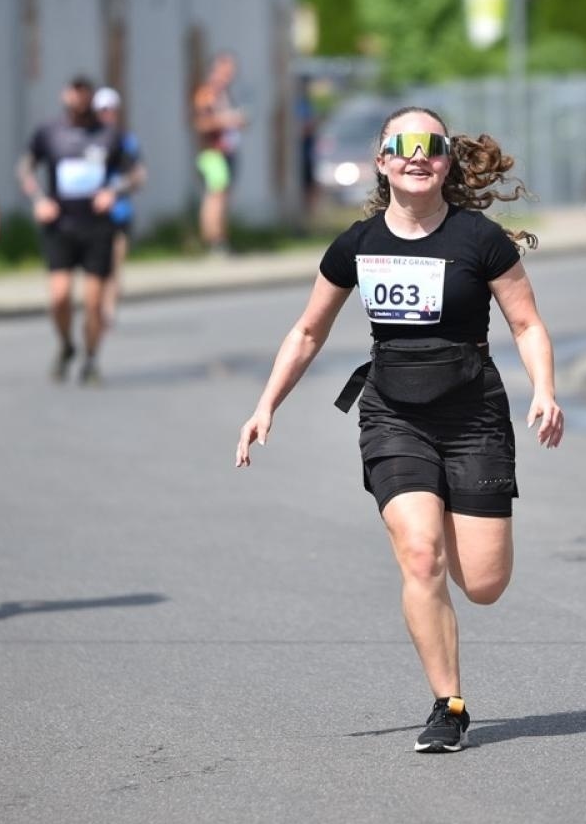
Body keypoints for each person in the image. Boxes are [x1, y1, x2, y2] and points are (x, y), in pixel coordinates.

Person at [235, 106, 564, 754]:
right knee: (420, 553)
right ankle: (449, 705)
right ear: (383, 161)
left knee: (485, 585)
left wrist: (546, 391)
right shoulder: (357, 245)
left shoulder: (480, 240)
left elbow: (527, 325)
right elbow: (307, 331)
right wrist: (265, 404)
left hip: (474, 418)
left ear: (447, 160)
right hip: (394, 414)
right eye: (402, 145)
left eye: (431, 145)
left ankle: (447, 513)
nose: (418, 155)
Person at [17, 75, 133, 385]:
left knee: (94, 302)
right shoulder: (49, 132)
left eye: (85, 96)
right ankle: (67, 345)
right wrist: (39, 199)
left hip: (97, 228)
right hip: (60, 225)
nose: (79, 102)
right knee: (59, 297)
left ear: (92, 99)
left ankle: (91, 358)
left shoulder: (109, 135)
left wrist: (114, 191)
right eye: (74, 95)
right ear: (65, 96)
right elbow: (25, 168)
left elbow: (135, 173)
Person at [92, 86, 148, 329]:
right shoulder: (87, 139)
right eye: (102, 110)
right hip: (90, 214)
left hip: (118, 211)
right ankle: (95, 305)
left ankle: (108, 308)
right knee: (96, 265)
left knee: (115, 261)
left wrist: (117, 188)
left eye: (111, 110)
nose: (107, 115)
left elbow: (139, 175)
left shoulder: (126, 141)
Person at [193, 52, 246, 255]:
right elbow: (202, 123)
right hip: (213, 153)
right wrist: (227, 120)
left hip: (227, 151)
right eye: (225, 70)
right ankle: (214, 241)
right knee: (215, 197)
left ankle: (221, 238)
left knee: (223, 197)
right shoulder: (208, 94)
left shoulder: (226, 93)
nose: (229, 75)